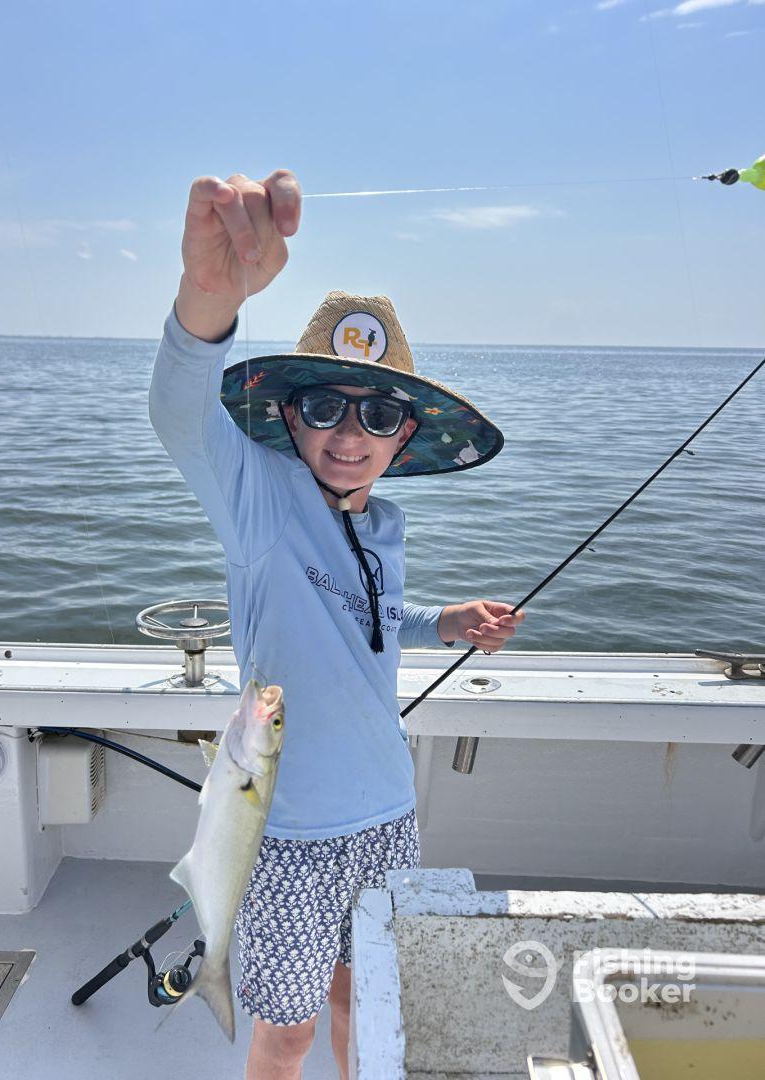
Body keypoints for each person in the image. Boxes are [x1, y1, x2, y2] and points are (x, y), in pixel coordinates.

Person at [149, 168, 525, 1080]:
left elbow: (367, 617)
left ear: (406, 436)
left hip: (389, 812)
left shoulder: (385, 523)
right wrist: (211, 293)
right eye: (324, 407)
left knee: (371, 997)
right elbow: (181, 421)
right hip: (287, 830)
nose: (349, 434)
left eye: (380, 413)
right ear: (288, 414)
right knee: (289, 1030)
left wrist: (440, 622)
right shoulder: (263, 503)